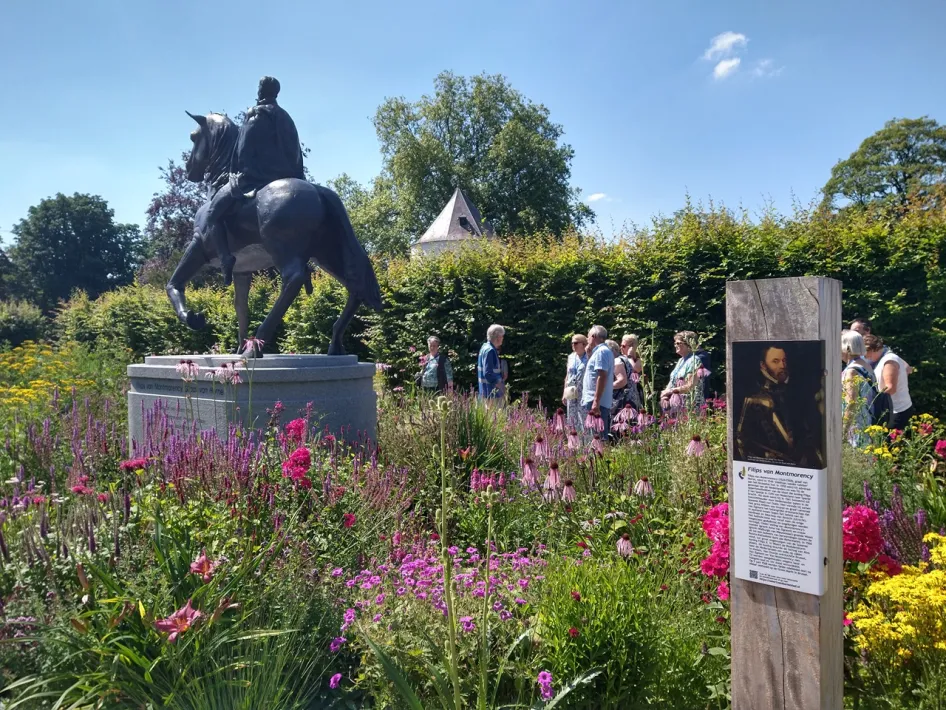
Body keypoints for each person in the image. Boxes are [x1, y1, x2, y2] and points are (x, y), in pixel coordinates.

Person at [203, 76, 305, 285]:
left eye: (259, 88)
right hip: (289, 178)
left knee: (213, 213)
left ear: (261, 91)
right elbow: (297, 153)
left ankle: (225, 258)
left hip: (256, 178)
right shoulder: (287, 117)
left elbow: (243, 150)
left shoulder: (255, 113)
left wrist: (237, 176)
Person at [735, 344, 825, 465]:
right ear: (763, 365)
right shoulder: (754, 400)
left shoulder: (797, 394)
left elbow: (810, 432)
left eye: (784, 360)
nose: (782, 366)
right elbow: (742, 441)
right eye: (775, 361)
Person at [864, 334, 914, 429]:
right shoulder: (885, 359)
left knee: (891, 442)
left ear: (871, 349)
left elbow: (890, 388)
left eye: (866, 354)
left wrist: (871, 398)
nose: (866, 357)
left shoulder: (889, 361)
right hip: (892, 409)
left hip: (896, 410)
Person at [841, 330, 877, 447]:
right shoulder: (865, 365)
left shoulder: (852, 371)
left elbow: (851, 402)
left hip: (855, 426)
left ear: (847, 348)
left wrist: (843, 431)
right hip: (867, 421)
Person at [581, 325, 615, 436]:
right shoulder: (600, 352)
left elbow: (602, 375)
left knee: (597, 438)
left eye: (588, 336)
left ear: (594, 336)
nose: (587, 340)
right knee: (595, 437)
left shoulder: (602, 352)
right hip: (596, 400)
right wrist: (589, 355)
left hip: (596, 402)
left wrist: (596, 401)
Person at [660, 331, 704, 413]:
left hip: (690, 406)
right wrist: (665, 394)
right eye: (675, 343)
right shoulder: (681, 360)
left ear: (688, 344)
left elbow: (690, 386)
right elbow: (672, 380)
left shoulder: (694, 360)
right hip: (676, 404)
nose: (675, 345)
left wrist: (670, 391)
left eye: (678, 343)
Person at [851, 318, 915, 374]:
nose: (852, 334)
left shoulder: (880, 349)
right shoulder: (852, 350)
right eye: (851, 332)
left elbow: (907, 368)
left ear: (867, 330)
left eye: (856, 331)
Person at [562, 334, 588, 432]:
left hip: (583, 392)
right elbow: (567, 375)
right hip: (571, 392)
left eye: (576, 343)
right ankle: (573, 444)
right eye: (572, 343)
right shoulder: (571, 357)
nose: (573, 345)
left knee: (584, 418)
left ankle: (586, 444)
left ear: (584, 344)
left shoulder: (589, 356)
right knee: (572, 419)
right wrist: (564, 393)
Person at [477, 324, 505, 400]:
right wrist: (499, 384)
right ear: (497, 337)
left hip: (485, 392)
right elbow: (488, 373)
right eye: (502, 336)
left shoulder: (484, 347)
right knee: (495, 412)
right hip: (491, 393)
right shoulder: (490, 351)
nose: (502, 338)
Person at [620, 334, 644, 409]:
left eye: (623, 346)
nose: (621, 348)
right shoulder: (620, 359)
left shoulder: (639, 360)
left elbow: (635, 369)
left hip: (635, 396)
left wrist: (629, 356)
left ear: (632, 347)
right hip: (623, 395)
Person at [606, 340, 629, 415]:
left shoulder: (616, 361)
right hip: (631, 398)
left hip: (621, 400)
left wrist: (605, 387)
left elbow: (622, 381)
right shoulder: (625, 359)